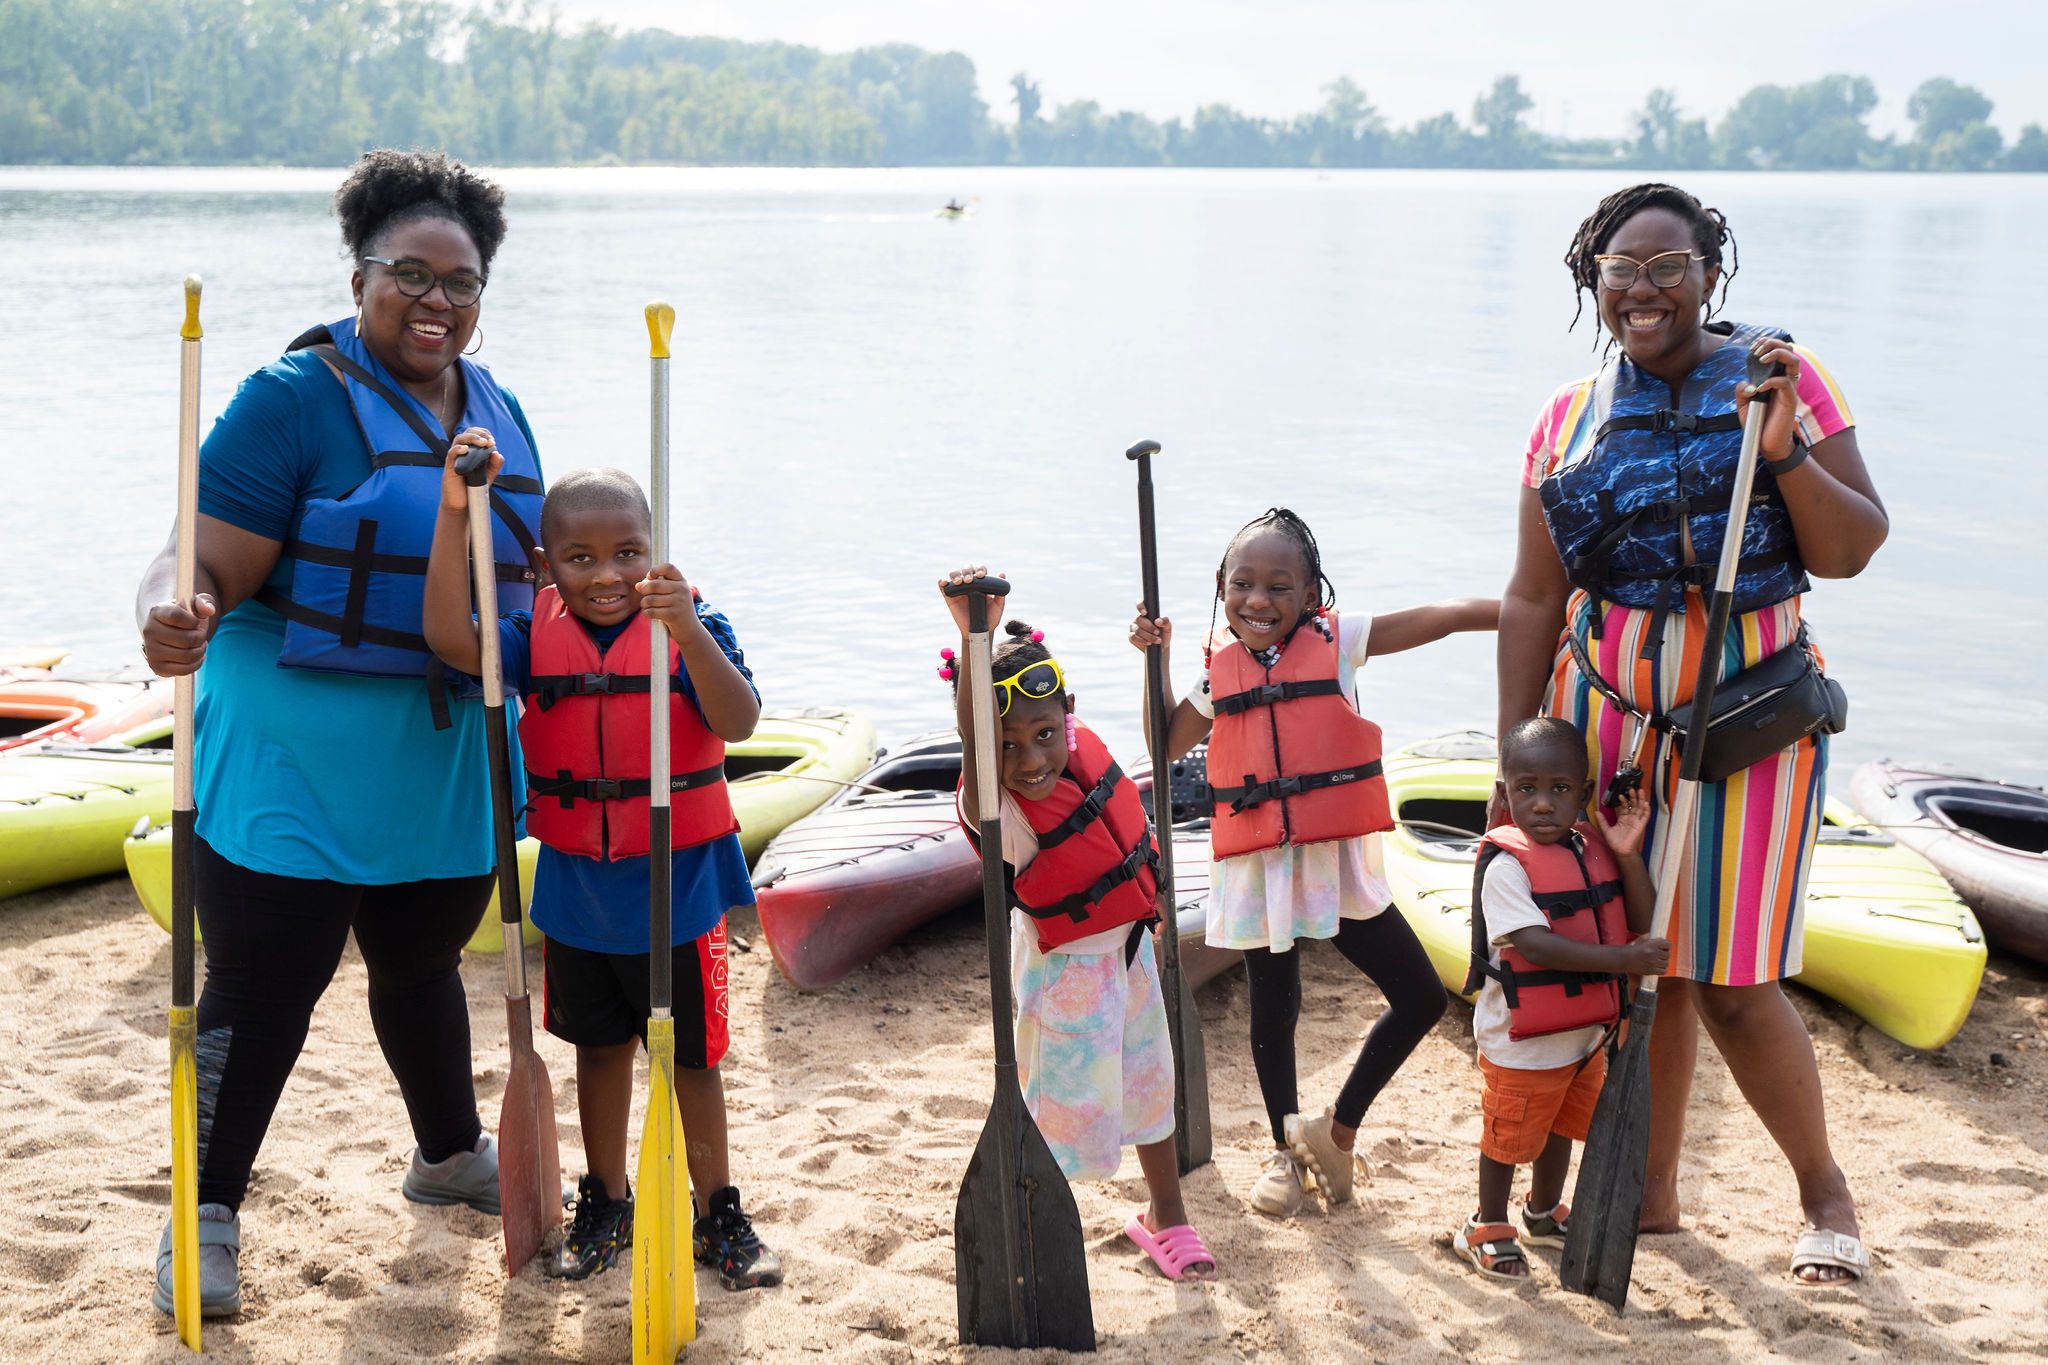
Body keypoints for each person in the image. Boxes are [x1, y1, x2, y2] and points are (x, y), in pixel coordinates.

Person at [137, 150, 541, 1317]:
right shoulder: (291, 397)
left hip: (441, 748)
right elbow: (192, 556)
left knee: (422, 958)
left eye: (459, 282)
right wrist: (178, 615)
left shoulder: (496, 404)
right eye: (408, 274)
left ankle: (451, 1153)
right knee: (267, 985)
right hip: (293, 750)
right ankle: (198, 1214)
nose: (435, 301)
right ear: (360, 274)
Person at [1496, 182, 1888, 1284]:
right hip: (1604, 730)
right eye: (1622, 267)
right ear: (1594, 279)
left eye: (1668, 266)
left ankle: (1824, 1192)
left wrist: (1780, 454)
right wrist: (1512, 753)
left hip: (1748, 727)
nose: (1644, 288)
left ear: (1707, 273)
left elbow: (1853, 546)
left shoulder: (1781, 378)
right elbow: (1532, 599)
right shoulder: (1563, 418)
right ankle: (1650, 1193)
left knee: (1728, 979)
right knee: (1639, 969)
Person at [423, 461, 781, 1290]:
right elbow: (449, 635)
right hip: (579, 885)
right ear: (547, 569)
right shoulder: (525, 637)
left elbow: (739, 719)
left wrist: (688, 632)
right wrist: (452, 515)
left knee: (692, 1056)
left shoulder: (695, 625)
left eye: (628, 552)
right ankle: (607, 1199)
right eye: (579, 558)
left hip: (679, 885)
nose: (609, 574)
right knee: (599, 1051)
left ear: (654, 551)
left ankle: (717, 1208)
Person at [1128, 509, 1495, 1218]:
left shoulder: (1342, 640)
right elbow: (1167, 741)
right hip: (1262, 864)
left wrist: (1538, 604)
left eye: (1278, 585)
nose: (1258, 600)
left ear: (1311, 593)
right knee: (1275, 1006)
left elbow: (1445, 617)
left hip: (1335, 858)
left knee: (1418, 996)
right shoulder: (1217, 669)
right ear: (1220, 586)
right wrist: (1157, 657)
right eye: (1242, 583)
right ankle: (1284, 1151)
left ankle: (1336, 1130)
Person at [941, 568, 1216, 1281]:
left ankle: (1168, 1215)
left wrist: (1154, 653)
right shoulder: (1001, 815)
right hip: (1063, 978)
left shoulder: (1080, 746)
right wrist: (974, 638)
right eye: (1008, 745)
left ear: (1067, 714)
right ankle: (1034, 1226)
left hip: (1131, 957)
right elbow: (979, 760)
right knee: (1060, 1114)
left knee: (1153, 1086)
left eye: (1042, 734)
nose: (1030, 760)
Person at [1454, 718, 1666, 1281]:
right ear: (1505, 793)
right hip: (1521, 1041)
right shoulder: (1506, 867)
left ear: (1585, 793)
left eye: (1560, 790)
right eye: (1527, 790)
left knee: (1563, 1128)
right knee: (1508, 1136)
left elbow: (1640, 918)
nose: (1543, 805)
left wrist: (1624, 854)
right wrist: (1625, 963)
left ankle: (1542, 1212)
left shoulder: (1591, 848)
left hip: (1583, 1035)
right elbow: (1535, 946)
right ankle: (1487, 1223)